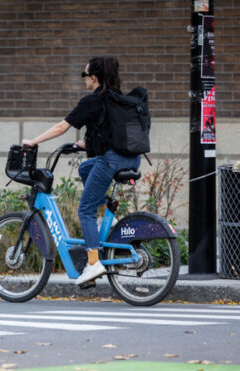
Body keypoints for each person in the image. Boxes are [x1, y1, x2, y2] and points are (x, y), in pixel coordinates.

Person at [22, 56, 141, 285]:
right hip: (131, 160)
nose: (84, 79)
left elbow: (61, 127)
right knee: (86, 167)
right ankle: (107, 220)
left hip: (111, 161)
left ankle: (93, 263)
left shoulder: (92, 101)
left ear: (94, 78)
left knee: (85, 209)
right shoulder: (120, 99)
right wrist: (88, 145)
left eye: (85, 75)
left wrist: (33, 141)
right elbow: (112, 133)